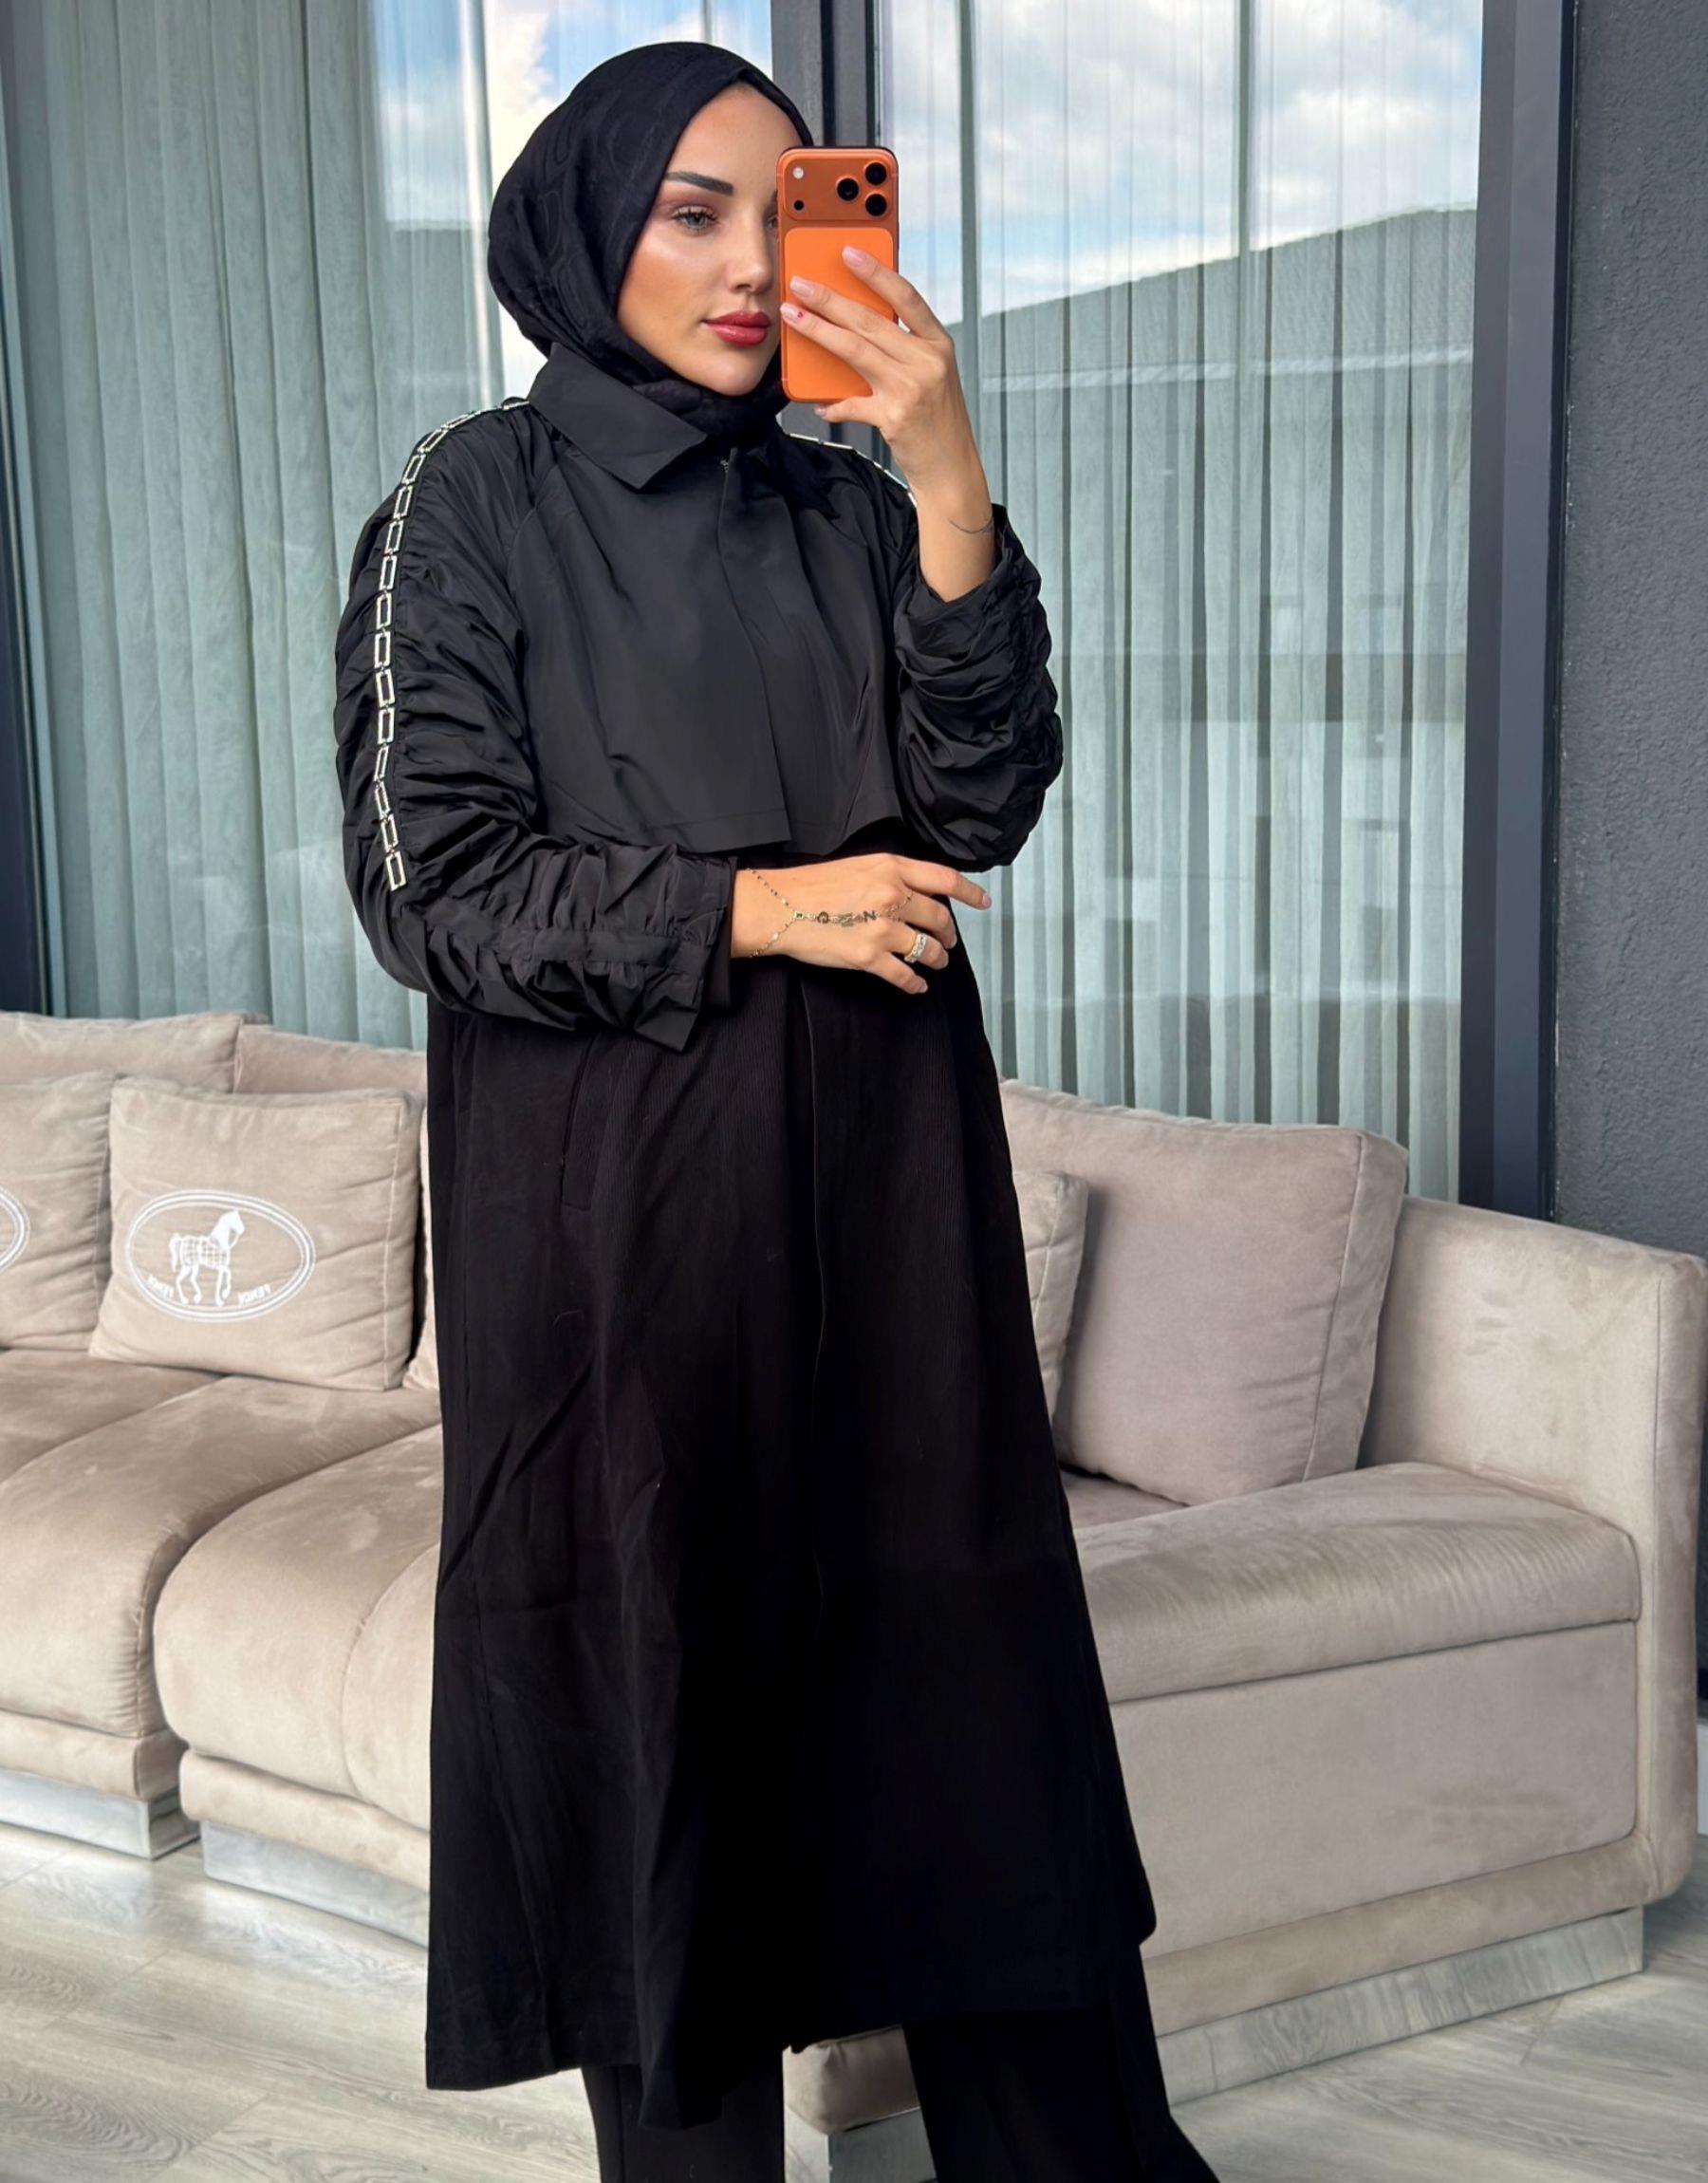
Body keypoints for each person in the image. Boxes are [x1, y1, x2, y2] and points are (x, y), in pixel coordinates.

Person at [332, 39, 1219, 2183]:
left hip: (890, 1213)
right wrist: (764, 905)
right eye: (692, 211)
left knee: (965, 1715)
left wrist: (945, 472)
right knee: (665, 1724)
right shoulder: (472, 504)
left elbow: (982, 795)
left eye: (783, 209)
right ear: (586, 231)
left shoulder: (849, 504)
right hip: (620, 1246)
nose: (748, 265)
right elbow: (431, 887)